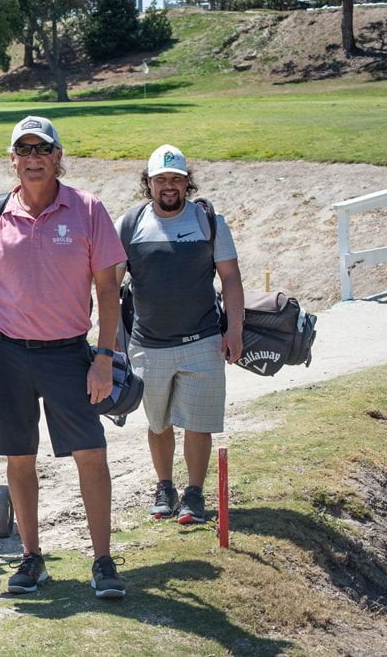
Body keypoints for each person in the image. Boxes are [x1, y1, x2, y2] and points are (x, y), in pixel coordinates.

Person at [0, 116, 128, 598]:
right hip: (8, 354)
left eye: (42, 149)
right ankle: (32, 558)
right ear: (12, 159)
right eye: (24, 150)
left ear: (57, 157)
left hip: (68, 354)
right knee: (19, 457)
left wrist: (105, 357)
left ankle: (103, 561)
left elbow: (107, 290)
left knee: (91, 453)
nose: (33, 159)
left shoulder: (87, 208)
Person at [115, 144, 244, 525]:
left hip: (203, 340)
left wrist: (234, 329)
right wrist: (110, 341)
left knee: (198, 424)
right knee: (158, 423)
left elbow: (231, 278)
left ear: (187, 182)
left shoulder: (210, 222)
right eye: (161, 179)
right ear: (149, 183)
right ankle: (165, 488)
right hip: (147, 345)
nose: (169, 186)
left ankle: (194, 494)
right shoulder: (129, 224)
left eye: (176, 179)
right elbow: (109, 285)